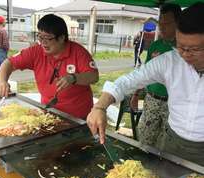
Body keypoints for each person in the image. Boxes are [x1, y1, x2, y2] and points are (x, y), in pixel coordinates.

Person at [87, 2, 204, 166]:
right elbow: (128, 81)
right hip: (173, 142)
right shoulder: (170, 60)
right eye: (180, 46)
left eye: (193, 49)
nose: (184, 55)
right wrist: (100, 107)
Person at [0, 14, 99, 119]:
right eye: (40, 37)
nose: (43, 42)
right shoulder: (36, 51)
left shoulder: (78, 52)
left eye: (48, 38)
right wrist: (1, 81)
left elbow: (94, 76)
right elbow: (8, 63)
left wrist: (73, 78)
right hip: (49, 112)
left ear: (62, 38)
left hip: (78, 116)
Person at [130, 4, 181, 147]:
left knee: (166, 145)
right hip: (151, 100)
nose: (162, 27)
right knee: (145, 140)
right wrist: (135, 95)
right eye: (160, 23)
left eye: (167, 23)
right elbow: (144, 73)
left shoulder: (184, 48)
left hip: (173, 105)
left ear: (178, 23)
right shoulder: (155, 45)